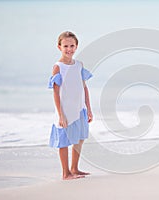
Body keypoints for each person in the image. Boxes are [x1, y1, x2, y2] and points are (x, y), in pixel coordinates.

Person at [48, 31, 93, 180]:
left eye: (72, 46)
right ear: (59, 47)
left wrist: (89, 109)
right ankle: (65, 173)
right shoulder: (58, 67)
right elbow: (55, 93)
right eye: (65, 46)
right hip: (65, 111)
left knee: (79, 138)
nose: (69, 49)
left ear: (76, 46)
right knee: (64, 141)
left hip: (80, 109)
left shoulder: (79, 65)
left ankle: (74, 168)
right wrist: (60, 115)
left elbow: (84, 88)